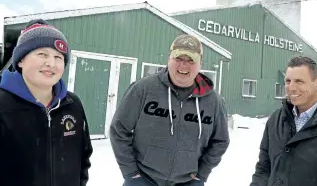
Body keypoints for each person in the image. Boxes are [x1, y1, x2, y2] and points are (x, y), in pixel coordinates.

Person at [110, 34, 230, 186]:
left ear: (200, 63)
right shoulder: (143, 89)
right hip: (144, 179)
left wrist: (202, 174)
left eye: (191, 60)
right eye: (178, 59)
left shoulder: (213, 101)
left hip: (188, 182)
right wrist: (131, 173)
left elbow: (221, 140)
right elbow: (119, 129)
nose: (183, 65)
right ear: (169, 59)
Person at [0, 19, 93, 186]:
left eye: (58, 57)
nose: (51, 63)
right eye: (42, 54)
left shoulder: (73, 104)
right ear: (20, 60)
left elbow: (83, 158)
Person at [250, 56, 317, 186]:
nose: (291, 88)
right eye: (288, 81)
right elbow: (264, 169)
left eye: (299, 81)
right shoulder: (275, 120)